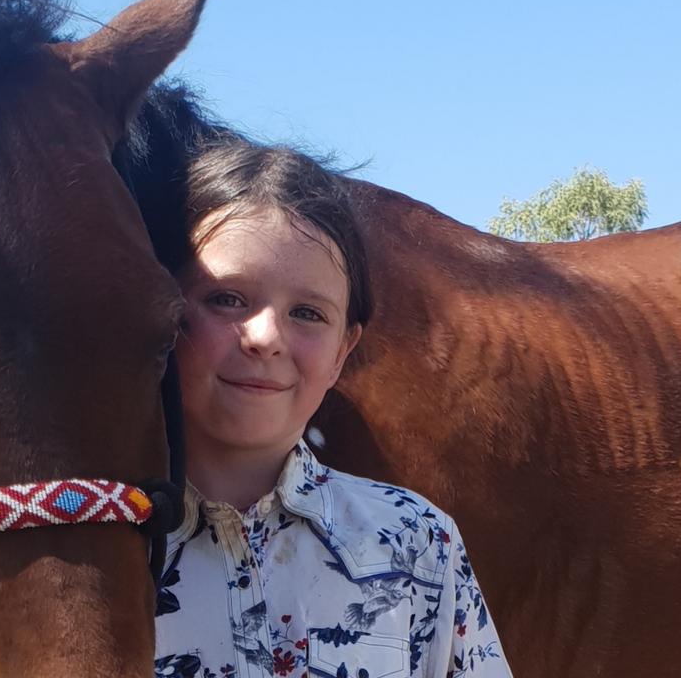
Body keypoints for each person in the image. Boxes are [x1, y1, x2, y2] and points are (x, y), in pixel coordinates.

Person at [154, 142, 512, 678]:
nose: (267, 337)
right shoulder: (96, 547)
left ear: (344, 350)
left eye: (307, 313)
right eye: (227, 298)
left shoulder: (419, 543)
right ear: (167, 311)